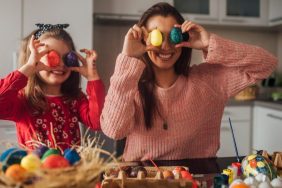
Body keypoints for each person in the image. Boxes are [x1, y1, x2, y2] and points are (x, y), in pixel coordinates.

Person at [0, 24, 105, 152]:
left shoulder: (74, 99)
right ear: (35, 60)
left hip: (72, 171)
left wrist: (93, 77)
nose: (61, 64)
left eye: (67, 58)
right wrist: (28, 68)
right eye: (52, 57)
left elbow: (98, 122)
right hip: (35, 171)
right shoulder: (24, 99)